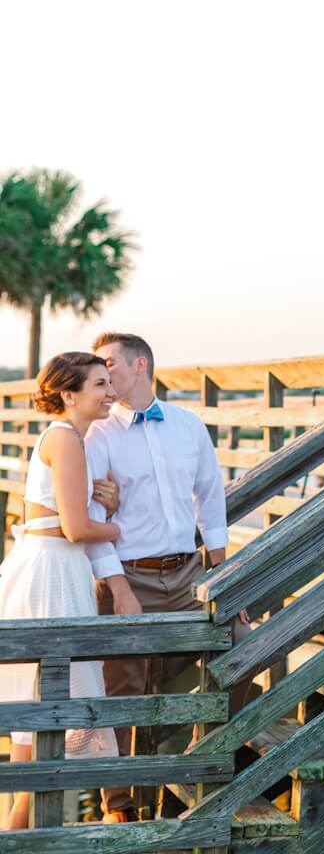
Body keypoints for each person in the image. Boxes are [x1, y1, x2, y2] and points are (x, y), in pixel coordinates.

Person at [85, 331, 248, 823]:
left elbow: (211, 499)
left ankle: (202, 749)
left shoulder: (188, 425)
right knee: (122, 688)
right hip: (128, 575)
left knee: (242, 642)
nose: (103, 371)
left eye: (109, 362)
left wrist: (223, 573)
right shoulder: (98, 434)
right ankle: (120, 804)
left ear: (139, 365)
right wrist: (117, 587)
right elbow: (92, 516)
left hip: (188, 574)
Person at [0, 353, 122, 831]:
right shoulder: (66, 439)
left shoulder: (71, 439)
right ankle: (20, 822)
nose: (110, 392)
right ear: (69, 394)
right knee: (51, 697)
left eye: (110, 382)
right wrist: (115, 526)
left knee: (42, 700)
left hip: (53, 566)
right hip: (52, 571)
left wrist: (103, 501)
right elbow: (75, 528)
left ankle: (20, 821)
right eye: (100, 384)